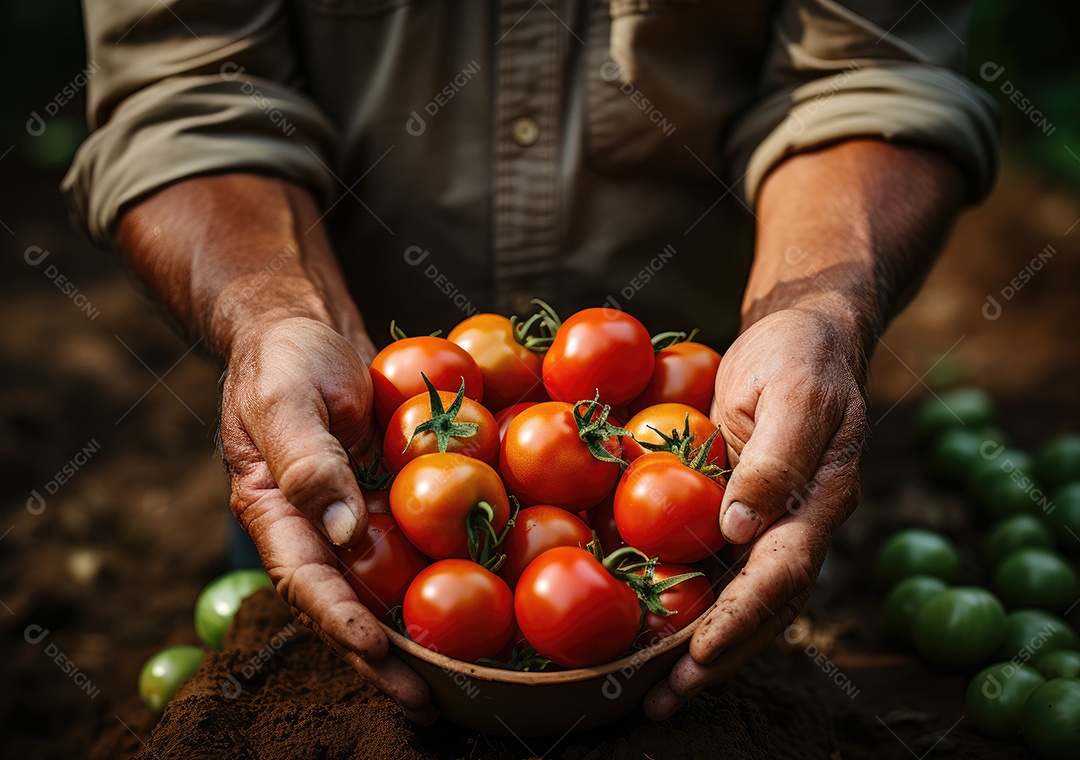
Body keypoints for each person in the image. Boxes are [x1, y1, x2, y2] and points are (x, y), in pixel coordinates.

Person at [63, 0, 997, 725]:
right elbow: (181, 89)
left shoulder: (621, 478)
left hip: (731, 437)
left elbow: (873, 73)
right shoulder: (477, 462)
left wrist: (817, 312)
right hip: (340, 441)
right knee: (321, 602)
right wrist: (273, 317)